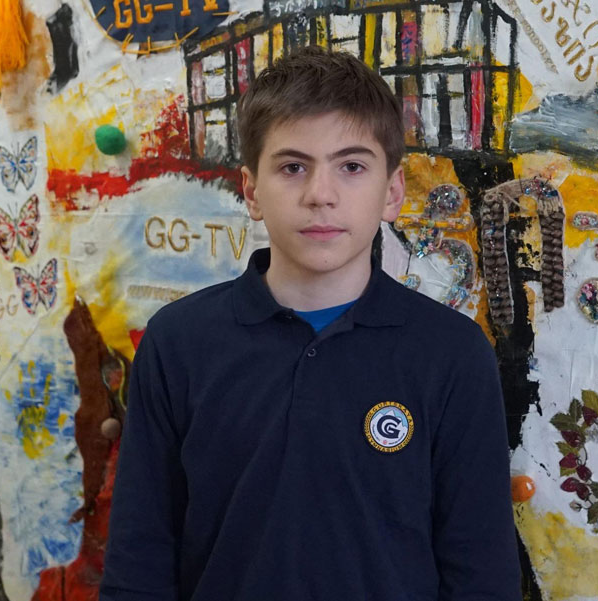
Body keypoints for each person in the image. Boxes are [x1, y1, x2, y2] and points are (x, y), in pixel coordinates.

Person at [100, 46, 521, 601]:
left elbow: (481, 574)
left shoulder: (453, 353)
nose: (321, 195)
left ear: (392, 192)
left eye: (352, 167)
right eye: (293, 167)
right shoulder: (177, 342)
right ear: (252, 191)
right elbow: (139, 561)